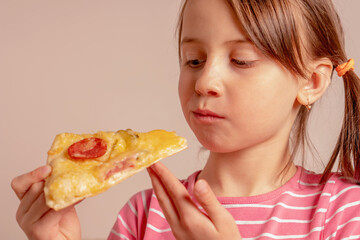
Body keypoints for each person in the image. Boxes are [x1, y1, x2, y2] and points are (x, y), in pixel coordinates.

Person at [11, 0, 360, 239]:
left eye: (240, 60)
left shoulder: (342, 212)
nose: (205, 81)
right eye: (194, 60)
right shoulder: (145, 215)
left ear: (311, 82)